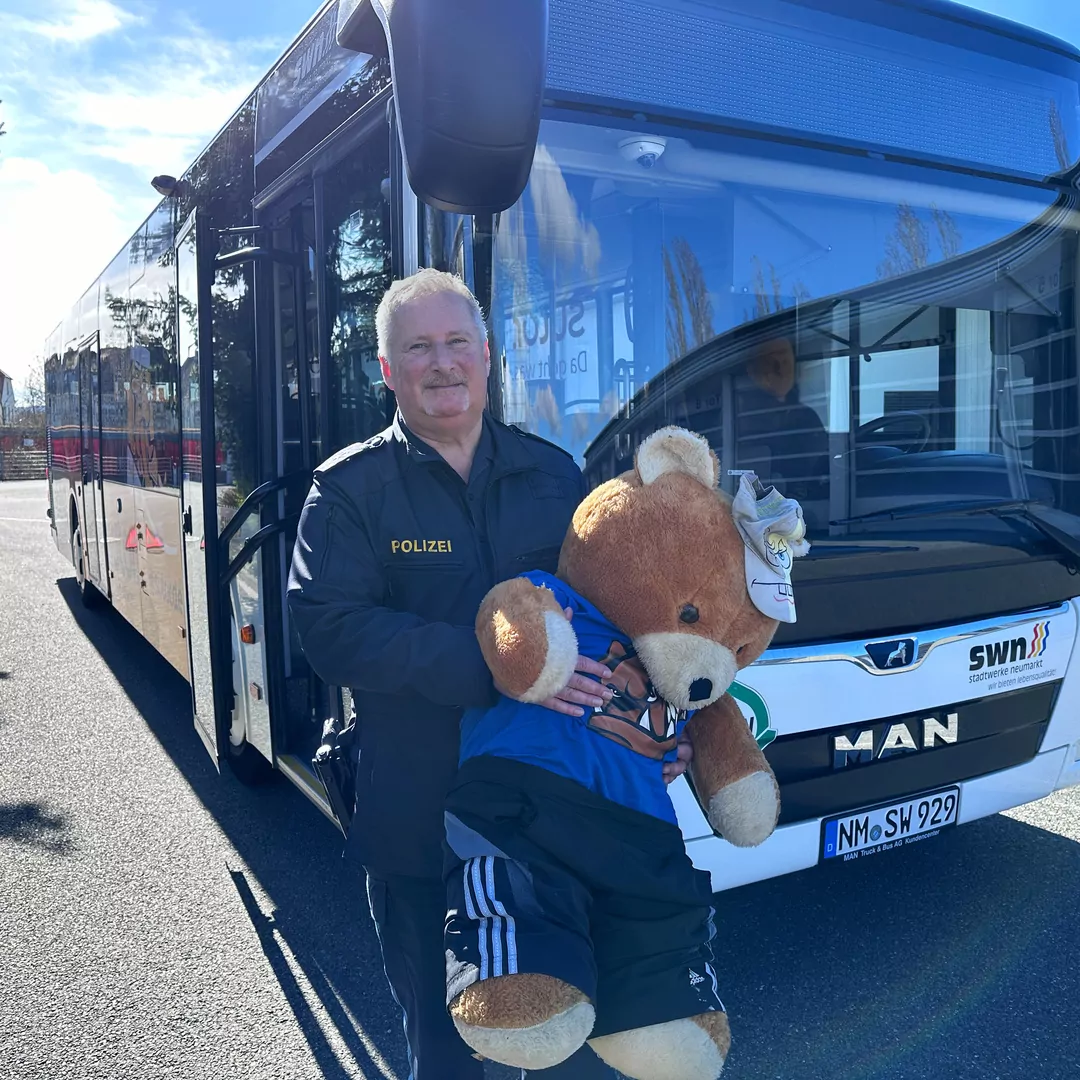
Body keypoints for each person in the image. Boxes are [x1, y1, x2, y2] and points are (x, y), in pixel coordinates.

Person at [287, 268, 692, 1080]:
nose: (442, 363)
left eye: (456, 342)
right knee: (446, 1051)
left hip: (553, 817)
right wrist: (500, 667)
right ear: (387, 369)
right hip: (421, 819)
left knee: (567, 1044)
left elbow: (616, 610)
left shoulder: (555, 475)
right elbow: (329, 629)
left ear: (486, 355)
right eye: (418, 348)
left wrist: (657, 726)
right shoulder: (349, 490)